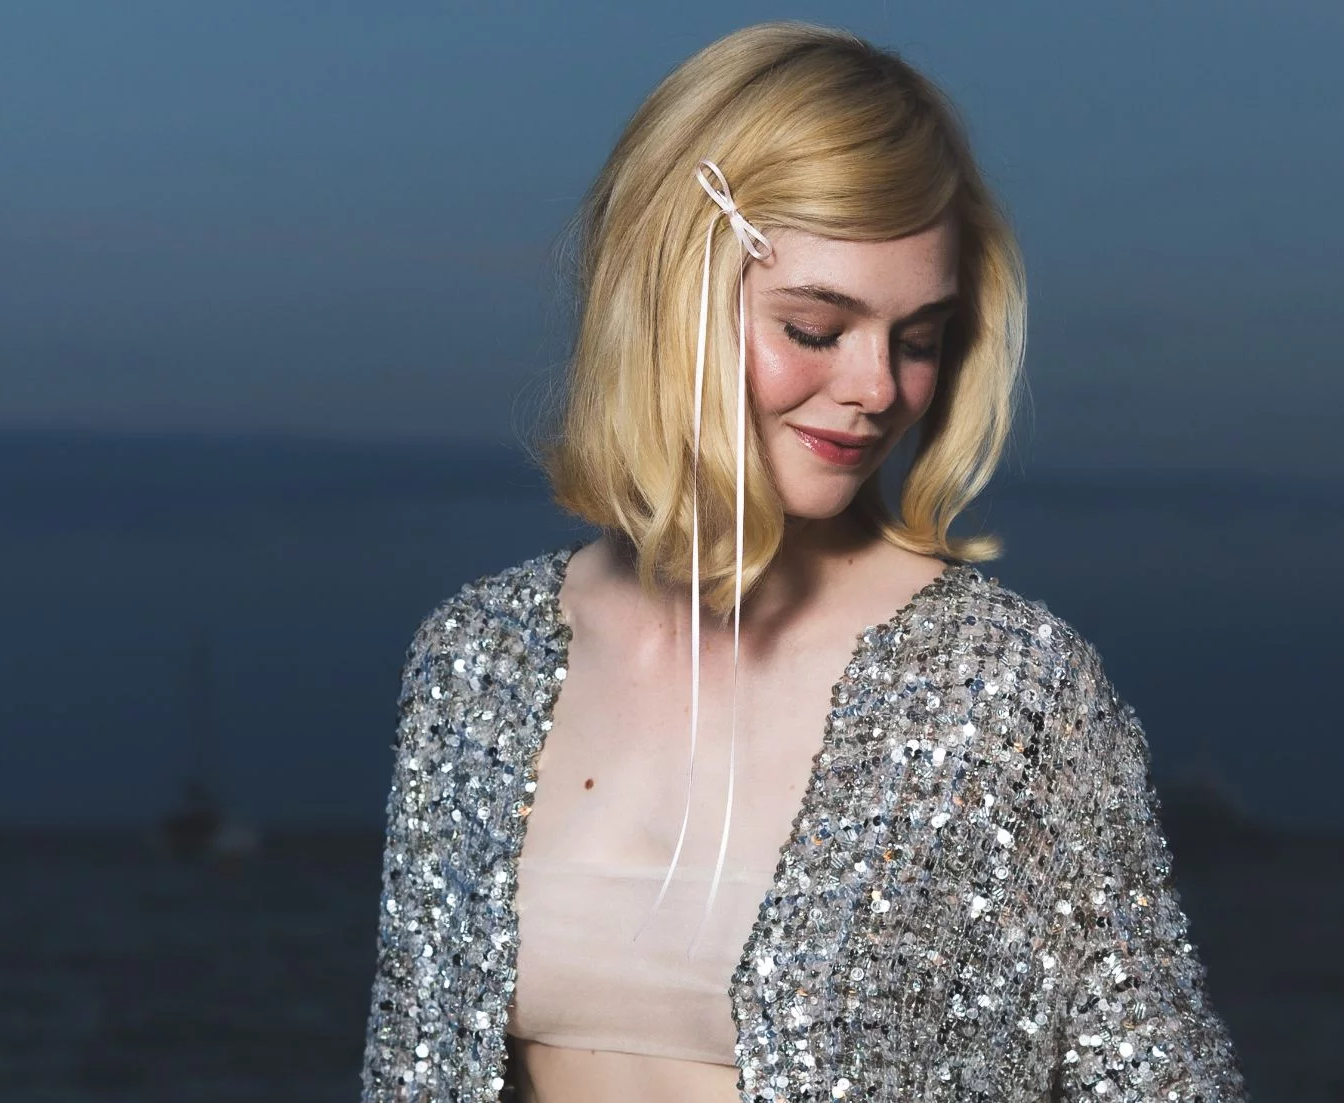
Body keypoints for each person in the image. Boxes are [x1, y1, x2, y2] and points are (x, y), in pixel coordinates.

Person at [360, 20, 1247, 1103]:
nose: (876, 387)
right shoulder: (474, 660)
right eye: (817, 328)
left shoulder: (1006, 689)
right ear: (670, 297)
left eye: (917, 337)